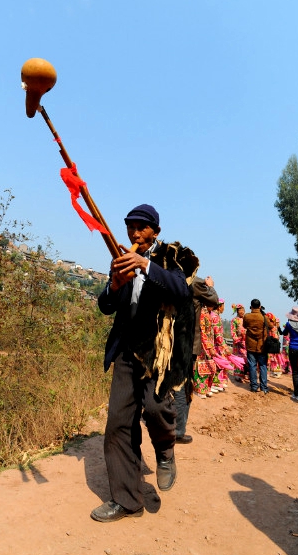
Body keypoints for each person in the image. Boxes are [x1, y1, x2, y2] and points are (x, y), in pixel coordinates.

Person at [91, 204, 198, 522]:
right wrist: (114, 285)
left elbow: (181, 290)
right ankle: (127, 501)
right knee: (117, 425)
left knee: (154, 408)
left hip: (157, 352)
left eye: (142, 227)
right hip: (126, 351)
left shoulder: (170, 257)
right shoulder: (120, 259)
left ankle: (165, 450)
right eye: (130, 227)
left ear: (155, 232)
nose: (135, 233)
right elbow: (106, 305)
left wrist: (145, 266)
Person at [172, 275, 218, 443]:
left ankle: (160, 422)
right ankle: (178, 430)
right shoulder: (195, 282)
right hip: (187, 344)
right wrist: (210, 286)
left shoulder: (166, 277)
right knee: (183, 388)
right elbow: (213, 299)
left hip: (166, 342)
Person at [243, 299, 269, 394]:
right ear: (260, 306)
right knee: (262, 366)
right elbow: (270, 325)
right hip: (262, 345)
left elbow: (244, 326)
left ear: (251, 306)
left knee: (252, 366)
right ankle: (264, 387)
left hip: (250, 344)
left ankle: (254, 386)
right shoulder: (263, 317)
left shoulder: (247, 316)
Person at [231, 304, 248, 382]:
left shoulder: (246, 319)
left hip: (246, 342)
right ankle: (238, 374)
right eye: (240, 310)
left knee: (246, 357)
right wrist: (237, 339)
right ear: (237, 311)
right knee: (238, 358)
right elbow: (233, 331)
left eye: (243, 310)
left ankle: (246, 373)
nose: (242, 312)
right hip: (238, 343)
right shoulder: (234, 320)